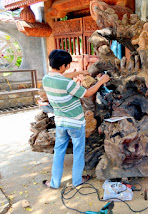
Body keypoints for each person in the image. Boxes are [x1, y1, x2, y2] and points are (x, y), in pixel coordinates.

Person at [42, 49, 110, 189]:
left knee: (59, 152)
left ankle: (54, 183)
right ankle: (77, 180)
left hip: (60, 122)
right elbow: (88, 93)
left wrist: (79, 73)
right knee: (79, 151)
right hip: (75, 123)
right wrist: (101, 81)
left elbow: (63, 76)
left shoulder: (46, 79)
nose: (68, 67)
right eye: (67, 65)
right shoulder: (69, 84)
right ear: (62, 66)